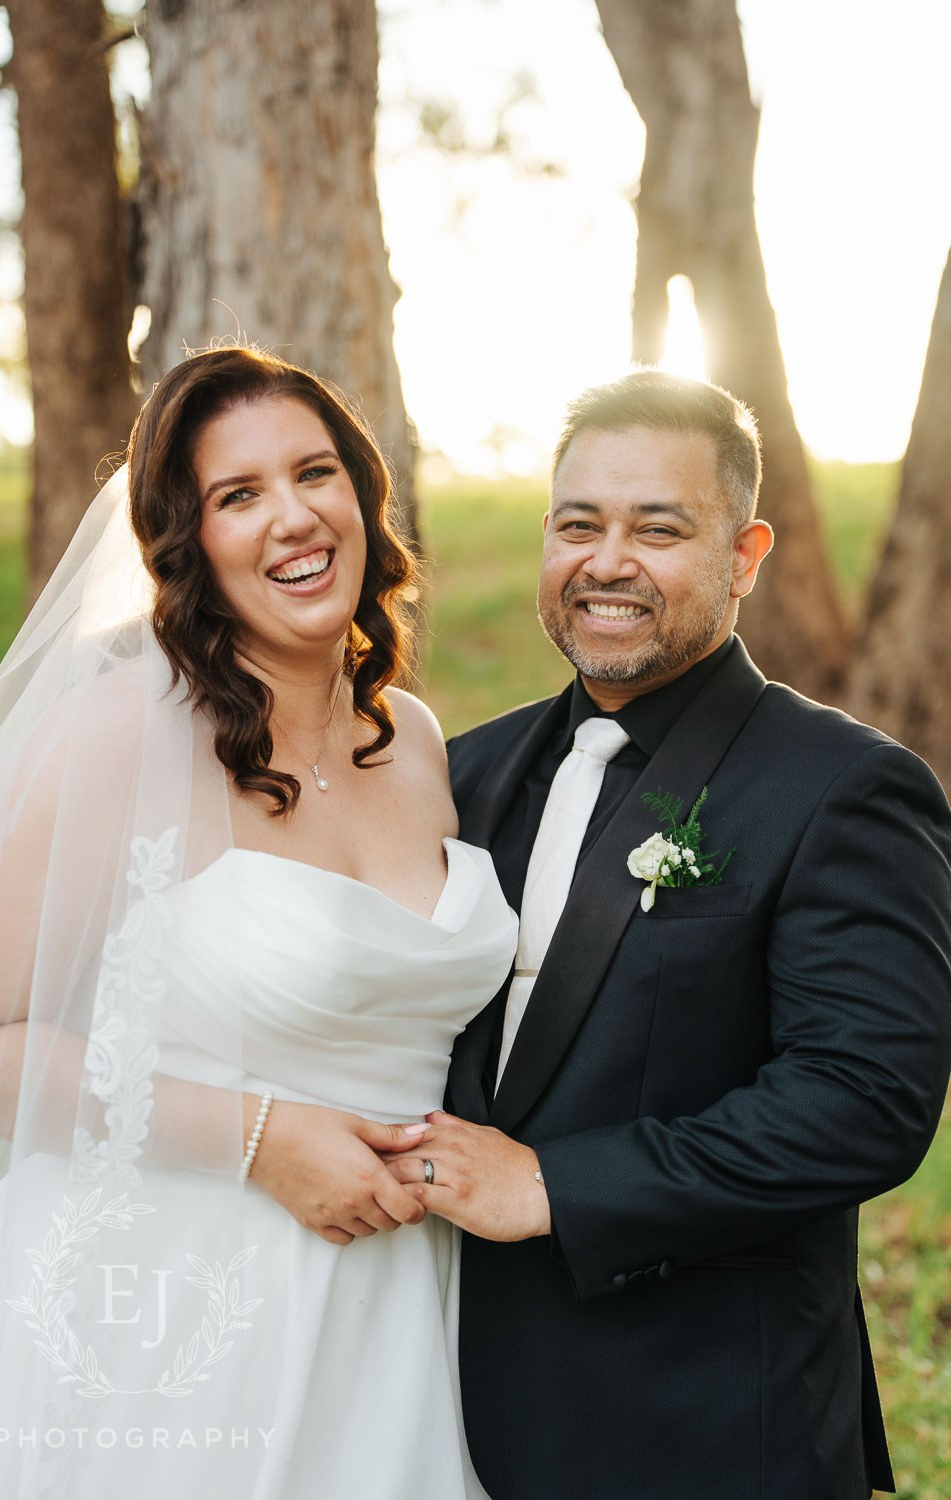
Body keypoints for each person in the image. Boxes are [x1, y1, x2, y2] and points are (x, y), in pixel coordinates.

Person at [0, 346, 516, 1498]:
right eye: (238, 495)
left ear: (363, 496)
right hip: (160, 1306)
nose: (294, 517)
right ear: (185, 541)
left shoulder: (407, 736)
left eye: (316, 474)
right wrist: (260, 1138)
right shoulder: (126, 731)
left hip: (391, 1303)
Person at [386, 370, 951, 1500]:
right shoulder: (463, 775)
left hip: (705, 1427)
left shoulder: (845, 789)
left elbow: (862, 1104)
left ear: (744, 556)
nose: (606, 562)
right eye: (577, 525)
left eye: (658, 529)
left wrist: (555, 1184)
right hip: (439, 1397)